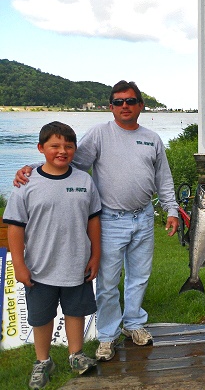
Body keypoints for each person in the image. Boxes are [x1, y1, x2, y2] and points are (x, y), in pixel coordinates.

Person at [15, 81, 179, 362]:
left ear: (140, 105)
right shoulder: (100, 134)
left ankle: (134, 324)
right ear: (110, 107)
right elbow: (68, 161)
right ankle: (106, 335)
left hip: (144, 217)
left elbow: (163, 178)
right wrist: (32, 168)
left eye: (130, 101)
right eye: (118, 102)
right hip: (110, 219)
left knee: (139, 277)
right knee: (107, 282)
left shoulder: (152, 139)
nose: (124, 106)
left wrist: (172, 209)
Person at [3, 121, 102, 390]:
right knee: (42, 317)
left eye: (68, 146)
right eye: (54, 146)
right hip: (39, 267)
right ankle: (43, 361)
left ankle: (76, 354)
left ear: (75, 149)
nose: (62, 151)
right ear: (40, 148)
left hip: (77, 264)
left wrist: (95, 256)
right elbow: (15, 228)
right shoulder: (26, 183)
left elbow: (93, 221)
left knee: (75, 311)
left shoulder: (84, 180)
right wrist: (20, 265)